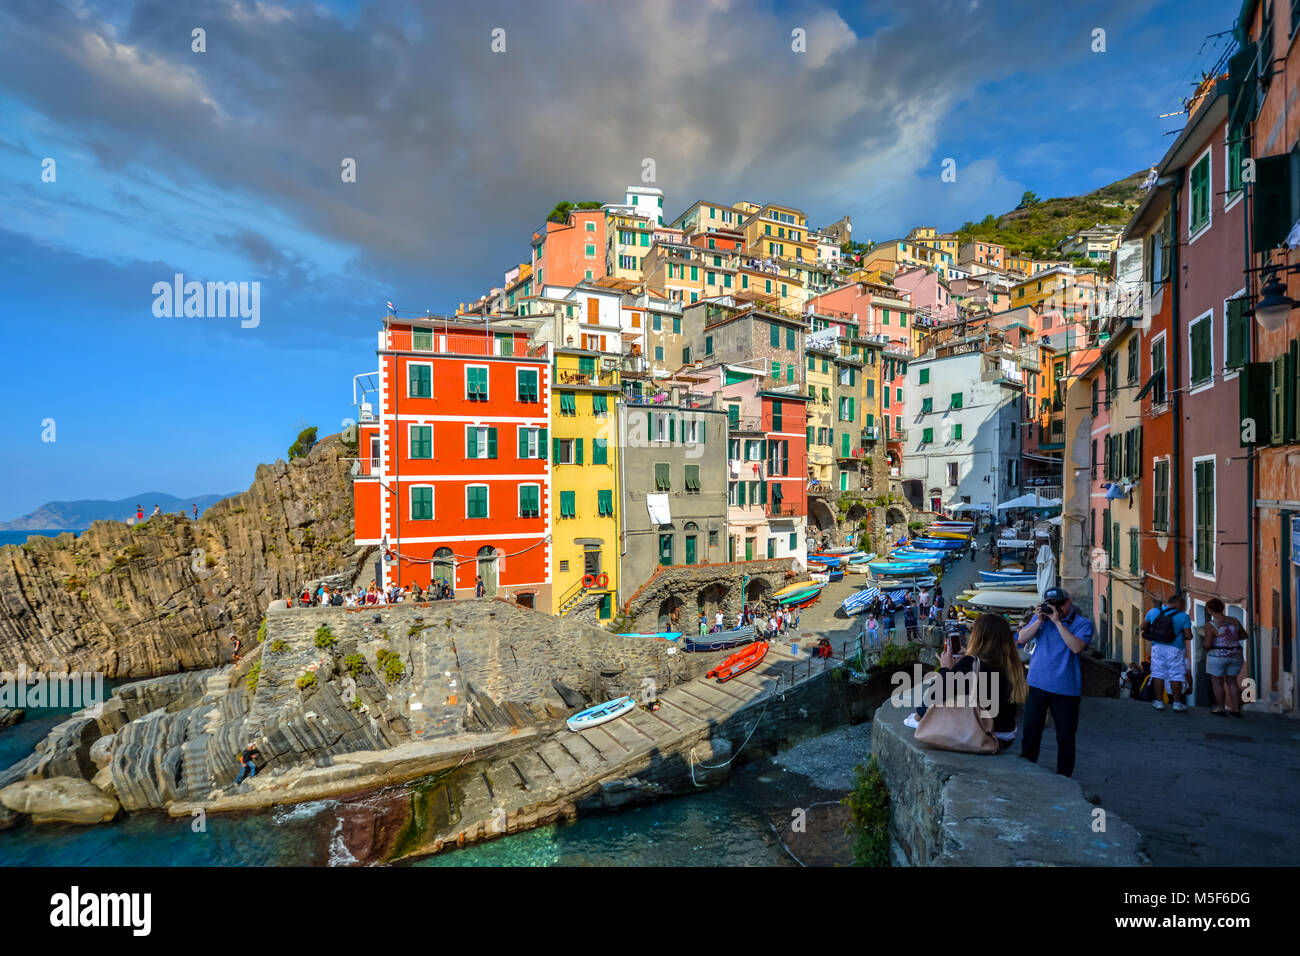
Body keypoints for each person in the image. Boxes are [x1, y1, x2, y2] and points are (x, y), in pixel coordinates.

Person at [905, 612, 1027, 753]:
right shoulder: (1015, 666)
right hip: (1006, 735)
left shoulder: (970, 664)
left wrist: (945, 668)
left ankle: (917, 718)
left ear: (978, 637)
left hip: (983, 734)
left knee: (935, 695)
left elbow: (936, 694)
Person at [1015, 586, 1094, 777]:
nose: (1055, 608)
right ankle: (1026, 769)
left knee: (1065, 736)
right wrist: (1039, 620)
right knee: (1031, 732)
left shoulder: (1083, 624)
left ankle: (1064, 778)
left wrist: (1058, 623)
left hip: (1066, 689)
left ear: (1068, 602)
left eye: (1059, 604)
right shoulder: (1042, 619)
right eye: (1051, 604)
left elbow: (1076, 648)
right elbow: (1021, 639)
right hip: (1037, 684)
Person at [1142, 593, 1193, 712]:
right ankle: (1177, 703)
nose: (1184, 607)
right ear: (1178, 603)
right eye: (1184, 605)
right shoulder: (1183, 616)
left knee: (1158, 673)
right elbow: (1188, 635)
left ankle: (1159, 702)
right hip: (1175, 648)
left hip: (1157, 646)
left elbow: (1143, 626)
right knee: (1176, 673)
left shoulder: (1154, 611)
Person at [1203, 598, 1245, 717]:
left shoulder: (1210, 625)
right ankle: (1236, 710)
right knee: (1232, 682)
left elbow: (1207, 644)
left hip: (1217, 656)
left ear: (1210, 610)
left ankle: (1221, 708)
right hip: (1235, 654)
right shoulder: (1234, 621)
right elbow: (1243, 635)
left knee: (1217, 682)